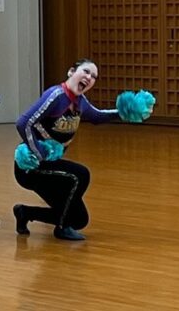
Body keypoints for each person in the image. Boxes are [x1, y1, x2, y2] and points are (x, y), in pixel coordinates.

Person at [12, 58, 115, 240]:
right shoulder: (56, 96)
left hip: (49, 167)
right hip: (30, 167)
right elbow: (23, 123)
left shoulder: (80, 101)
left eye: (94, 77)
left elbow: (97, 116)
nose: (89, 78)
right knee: (81, 174)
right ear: (71, 72)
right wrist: (38, 153)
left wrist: (125, 111)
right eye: (86, 72)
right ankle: (61, 228)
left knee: (79, 219)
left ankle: (25, 212)